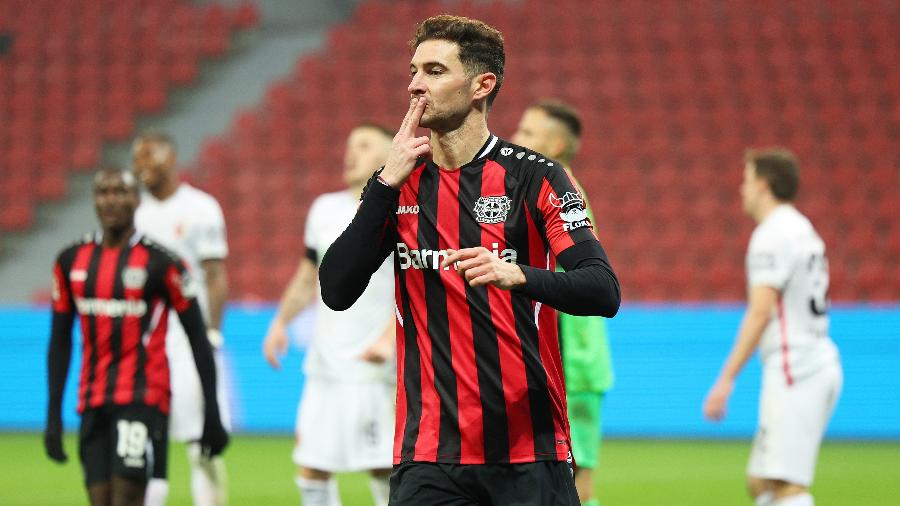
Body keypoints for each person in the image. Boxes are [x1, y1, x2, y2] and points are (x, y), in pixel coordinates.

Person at [318, 15, 620, 505]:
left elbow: (603, 290)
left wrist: (518, 274)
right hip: (428, 455)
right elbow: (335, 290)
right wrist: (382, 187)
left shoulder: (538, 178)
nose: (416, 85)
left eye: (435, 71)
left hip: (529, 451)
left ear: (482, 85)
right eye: (413, 71)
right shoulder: (398, 184)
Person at [43, 168, 229, 506]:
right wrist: (53, 414)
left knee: (127, 499)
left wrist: (211, 413)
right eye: (103, 192)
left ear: (136, 201)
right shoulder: (71, 261)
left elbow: (198, 339)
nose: (111, 200)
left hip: (143, 396)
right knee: (100, 500)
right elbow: (59, 341)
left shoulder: (162, 264)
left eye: (121, 192)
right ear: (94, 201)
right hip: (93, 399)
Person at [262, 123, 397, 506]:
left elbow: (416, 289)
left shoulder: (400, 211)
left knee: (384, 468)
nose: (351, 151)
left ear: (389, 156)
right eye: (350, 143)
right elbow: (308, 275)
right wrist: (280, 322)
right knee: (311, 467)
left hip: (374, 367)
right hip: (325, 365)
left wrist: (389, 339)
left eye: (365, 144)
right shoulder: (323, 209)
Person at [703, 148, 842, 506]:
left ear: (764, 185)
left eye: (746, 180)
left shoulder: (772, 234)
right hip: (814, 359)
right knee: (760, 482)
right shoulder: (802, 228)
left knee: (784, 485)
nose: (741, 189)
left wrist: (726, 378)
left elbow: (761, 312)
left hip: (797, 366)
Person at [512, 100, 615, 506]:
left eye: (528, 133)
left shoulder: (562, 191)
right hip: (554, 361)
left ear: (554, 144)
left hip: (575, 364)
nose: (515, 139)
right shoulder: (540, 187)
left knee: (574, 478)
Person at [131, 131, 231, 506]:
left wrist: (212, 333)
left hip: (189, 340)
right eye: (137, 159)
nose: (142, 166)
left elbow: (215, 274)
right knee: (143, 442)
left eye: (149, 156)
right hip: (146, 342)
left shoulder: (201, 208)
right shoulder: (134, 213)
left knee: (200, 443)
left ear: (170, 157)